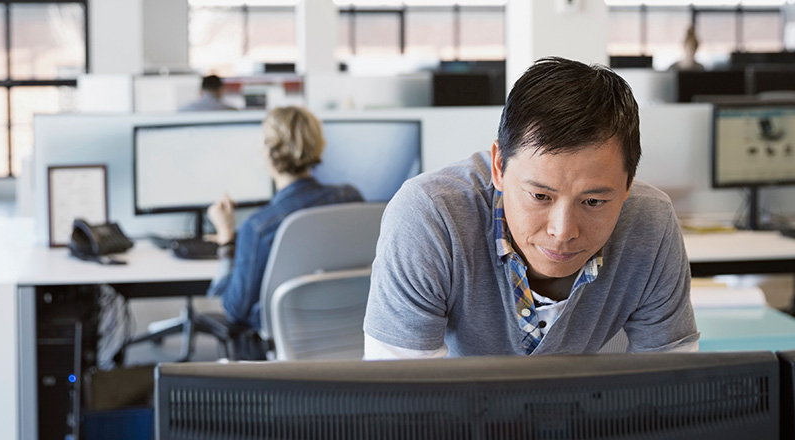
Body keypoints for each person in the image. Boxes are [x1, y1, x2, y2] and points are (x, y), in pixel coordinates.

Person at [363, 57, 700, 359]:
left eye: (593, 201)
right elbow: (399, 404)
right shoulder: (431, 216)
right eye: (540, 196)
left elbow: (674, 392)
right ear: (499, 166)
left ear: (628, 185)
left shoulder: (651, 223)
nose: (563, 231)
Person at [206, 106, 362, 358]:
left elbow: (234, 310)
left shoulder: (259, 227)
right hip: (349, 339)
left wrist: (226, 237)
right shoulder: (351, 197)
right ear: (318, 145)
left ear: (267, 151)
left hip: (287, 346)